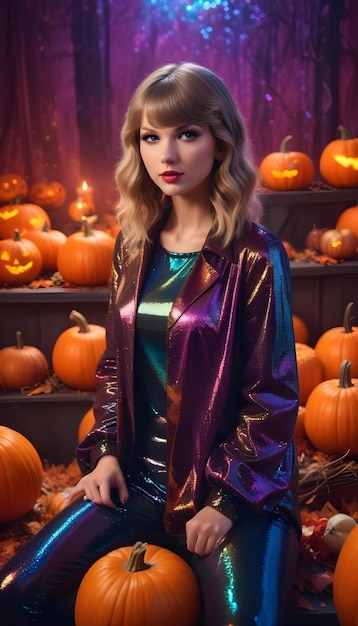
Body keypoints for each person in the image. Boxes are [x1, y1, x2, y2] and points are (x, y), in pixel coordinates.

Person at [0, 62, 300, 626]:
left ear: (220, 142)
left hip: (232, 483)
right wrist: (108, 449)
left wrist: (228, 501)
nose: (168, 153)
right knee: (15, 594)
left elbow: (273, 395)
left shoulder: (256, 256)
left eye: (187, 133)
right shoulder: (131, 247)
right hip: (137, 476)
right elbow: (115, 365)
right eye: (150, 136)